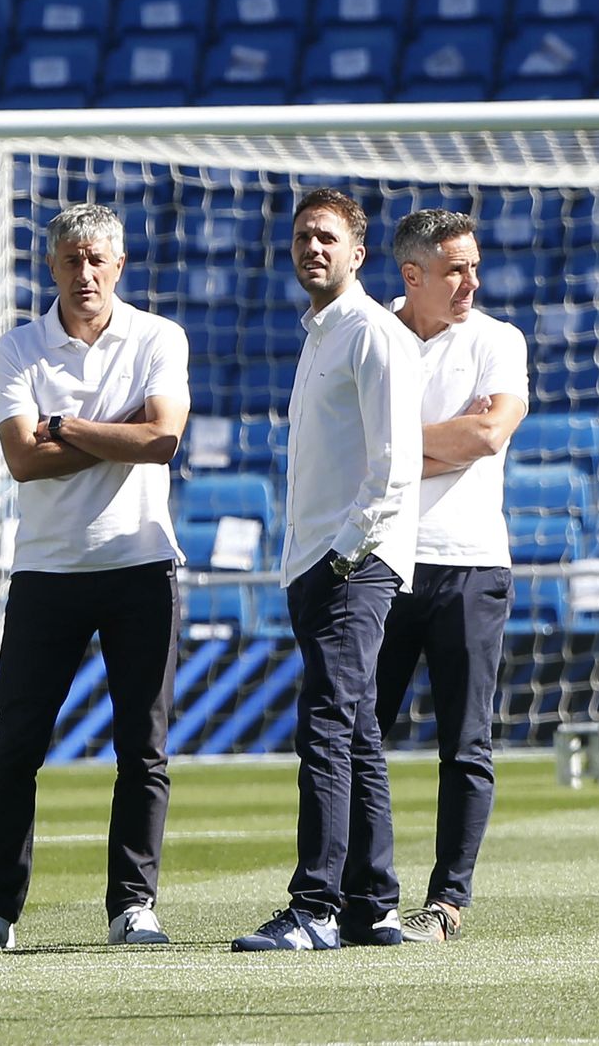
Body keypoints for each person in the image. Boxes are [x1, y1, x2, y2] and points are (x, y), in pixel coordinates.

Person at [0, 202, 190, 950]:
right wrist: (123, 429)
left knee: (142, 747)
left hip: (141, 564)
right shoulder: (19, 347)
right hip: (47, 568)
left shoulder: (158, 336)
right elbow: (23, 460)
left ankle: (133, 905)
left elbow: (163, 439)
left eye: (97, 259)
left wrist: (67, 426)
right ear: (51, 266)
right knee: (16, 744)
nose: (85, 272)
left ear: (119, 265)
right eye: (71, 260)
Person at [233, 188, 422, 952]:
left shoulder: (372, 331)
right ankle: (372, 904)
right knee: (358, 731)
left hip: (352, 561)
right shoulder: (322, 333)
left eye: (327, 238)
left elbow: (395, 464)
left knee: (326, 725)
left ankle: (315, 906)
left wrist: (344, 553)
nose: (312, 248)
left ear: (358, 253)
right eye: (303, 237)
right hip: (321, 560)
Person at [374, 209, 529, 943]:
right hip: (379, 560)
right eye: (456, 269)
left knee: (466, 743)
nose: (472, 282)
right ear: (413, 275)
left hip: (470, 562)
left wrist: (393, 449)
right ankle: (360, 894)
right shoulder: (370, 334)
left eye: (475, 266)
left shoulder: (499, 339)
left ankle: (446, 902)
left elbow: (489, 433)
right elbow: (348, 446)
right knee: (355, 737)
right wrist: (444, 442)